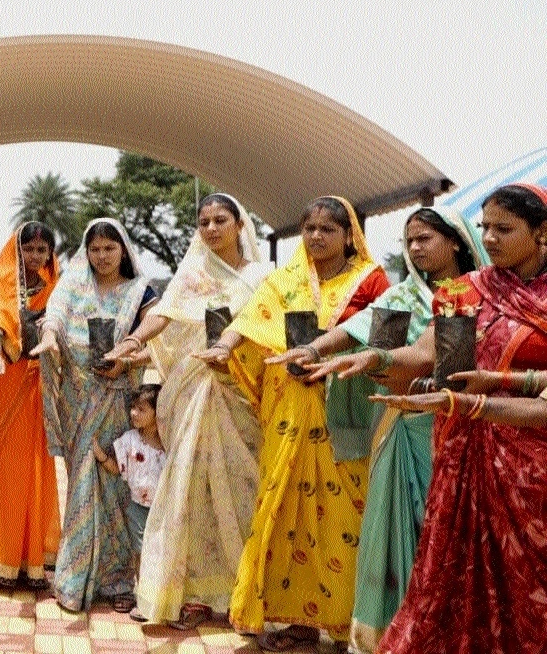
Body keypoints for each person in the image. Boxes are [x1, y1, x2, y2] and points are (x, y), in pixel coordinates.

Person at [311, 184, 547, 654]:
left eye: (505, 228)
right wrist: (375, 358)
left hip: (532, 463)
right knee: (456, 575)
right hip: (462, 455)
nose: (492, 238)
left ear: (542, 232)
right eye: (486, 228)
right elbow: (426, 354)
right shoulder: (468, 291)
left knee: (531, 579)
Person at [278, 206, 486, 653]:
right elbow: (354, 331)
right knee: (400, 531)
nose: (415, 248)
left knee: (449, 534)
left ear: (456, 241)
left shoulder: (478, 293)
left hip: (462, 430)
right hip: (400, 423)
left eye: (425, 238)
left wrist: (379, 358)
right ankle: (396, 633)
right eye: (409, 240)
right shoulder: (404, 295)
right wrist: (312, 348)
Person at [196, 196, 389, 651]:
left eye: (327, 229)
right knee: (284, 510)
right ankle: (298, 620)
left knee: (348, 516)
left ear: (349, 235)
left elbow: (385, 338)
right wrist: (225, 348)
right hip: (288, 412)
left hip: (345, 410)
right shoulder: (285, 279)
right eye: (310, 228)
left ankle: (346, 623)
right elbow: (248, 321)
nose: (317, 236)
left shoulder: (371, 280)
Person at [106, 194, 269, 629]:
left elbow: (268, 328)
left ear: (240, 224)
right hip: (193, 388)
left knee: (241, 487)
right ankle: (191, 591)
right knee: (189, 487)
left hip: (240, 392)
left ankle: (243, 587)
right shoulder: (192, 274)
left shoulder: (261, 276)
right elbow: (164, 314)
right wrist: (134, 342)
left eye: (220, 220)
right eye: (204, 221)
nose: (212, 228)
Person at [29, 217, 158, 613]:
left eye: (110, 248)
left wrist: (130, 356)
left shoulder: (140, 291)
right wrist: (49, 337)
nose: (102, 256)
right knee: (83, 483)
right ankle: (74, 576)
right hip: (79, 401)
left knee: (120, 485)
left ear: (124, 251)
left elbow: (159, 331)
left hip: (121, 402)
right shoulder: (72, 284)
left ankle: (119, 581)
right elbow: (55, 315)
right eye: (95, 248)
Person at [0, 221, 61, 591]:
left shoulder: (56, 288)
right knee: (6, 469)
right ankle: (3, 560)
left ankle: (33, 563)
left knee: (37, 470)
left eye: (42, 250)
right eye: (29, 248)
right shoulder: (0, 280)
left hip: (37, 385)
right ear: (17, 249)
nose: (34, 256)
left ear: (50, 254)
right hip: (4, 377)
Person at [92, 382, 166, 615]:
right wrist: (99, 453)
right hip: (137, 508)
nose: (134, 413)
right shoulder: (130, 439)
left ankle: (161, 599)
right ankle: (144, 600)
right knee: (141, 552)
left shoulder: (169, 440)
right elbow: (116, 468)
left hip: (164, 508)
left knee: (162, 552)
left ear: (157, 412)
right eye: (133, 408)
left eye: (142, 409)